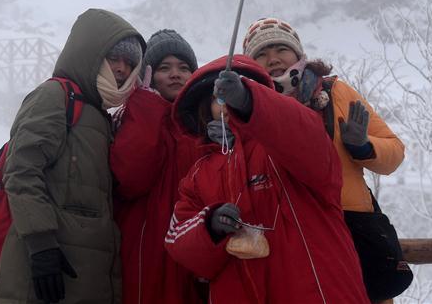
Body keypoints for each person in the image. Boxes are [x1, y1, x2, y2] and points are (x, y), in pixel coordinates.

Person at [164, 55, 369, 303]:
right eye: (219, 99)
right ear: (205, 109)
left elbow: (309, 143)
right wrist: (210, 226)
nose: (226, 104)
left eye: (231, 95)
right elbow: (178, 241)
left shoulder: (286, 143)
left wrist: (249, 101)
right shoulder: (198, 174)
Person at [0, 8, 144, 304]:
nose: (122, 69)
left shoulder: (100, 116)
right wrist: (41, 245)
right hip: (46, 272)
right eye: (114, 58)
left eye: (130, 63)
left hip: (84, 277)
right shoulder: (55, 96)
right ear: (89, 54)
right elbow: (22, 171)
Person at [241, 18, 405, 214]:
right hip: (286, 227)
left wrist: (363, 147)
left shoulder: (336, 92)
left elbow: (395, 154)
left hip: (350, 218)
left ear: (297, 53)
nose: (273, 59)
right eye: (261, 54)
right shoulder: (246, 109)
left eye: (281, 50)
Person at [111, 29, 204, 304]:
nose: (175, 74)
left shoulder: (205, 126)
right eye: (164, 68)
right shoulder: (131, 117)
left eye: (184, 68)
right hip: (144, 251)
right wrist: (145, 105)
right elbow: (130, 178)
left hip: (193, 250)